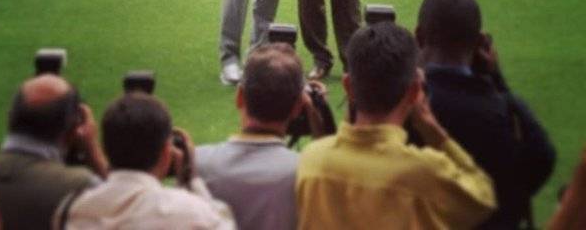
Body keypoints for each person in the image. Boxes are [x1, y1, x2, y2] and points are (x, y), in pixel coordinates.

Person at [296, 21, 497, 229]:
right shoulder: (425, 171)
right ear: (415, 92)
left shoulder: (311, 161)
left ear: (348, 86)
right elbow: (483, 198)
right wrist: (432, 129)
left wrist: (349, 114)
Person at [416, 0, 556, 229]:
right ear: (481, 43)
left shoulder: (409, 110)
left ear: (419, 37)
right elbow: (543, 158)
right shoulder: (506, 111)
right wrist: (497, 80)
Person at [55, 92, 234, 229]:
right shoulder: (190, 212)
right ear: (166, 153)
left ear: (105, 147)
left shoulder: (71, 209)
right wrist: (191, 179)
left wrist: (91, 150)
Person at [196, 43, 319, 230]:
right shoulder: (309, 173)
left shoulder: (196, 164)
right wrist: (318, 115)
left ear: (239, 96)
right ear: (298, 107)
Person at [0, 74, 107, 230]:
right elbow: (128, 213)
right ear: (75, 128)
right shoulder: (82, 188)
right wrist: (93, 152)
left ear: (10, 118)